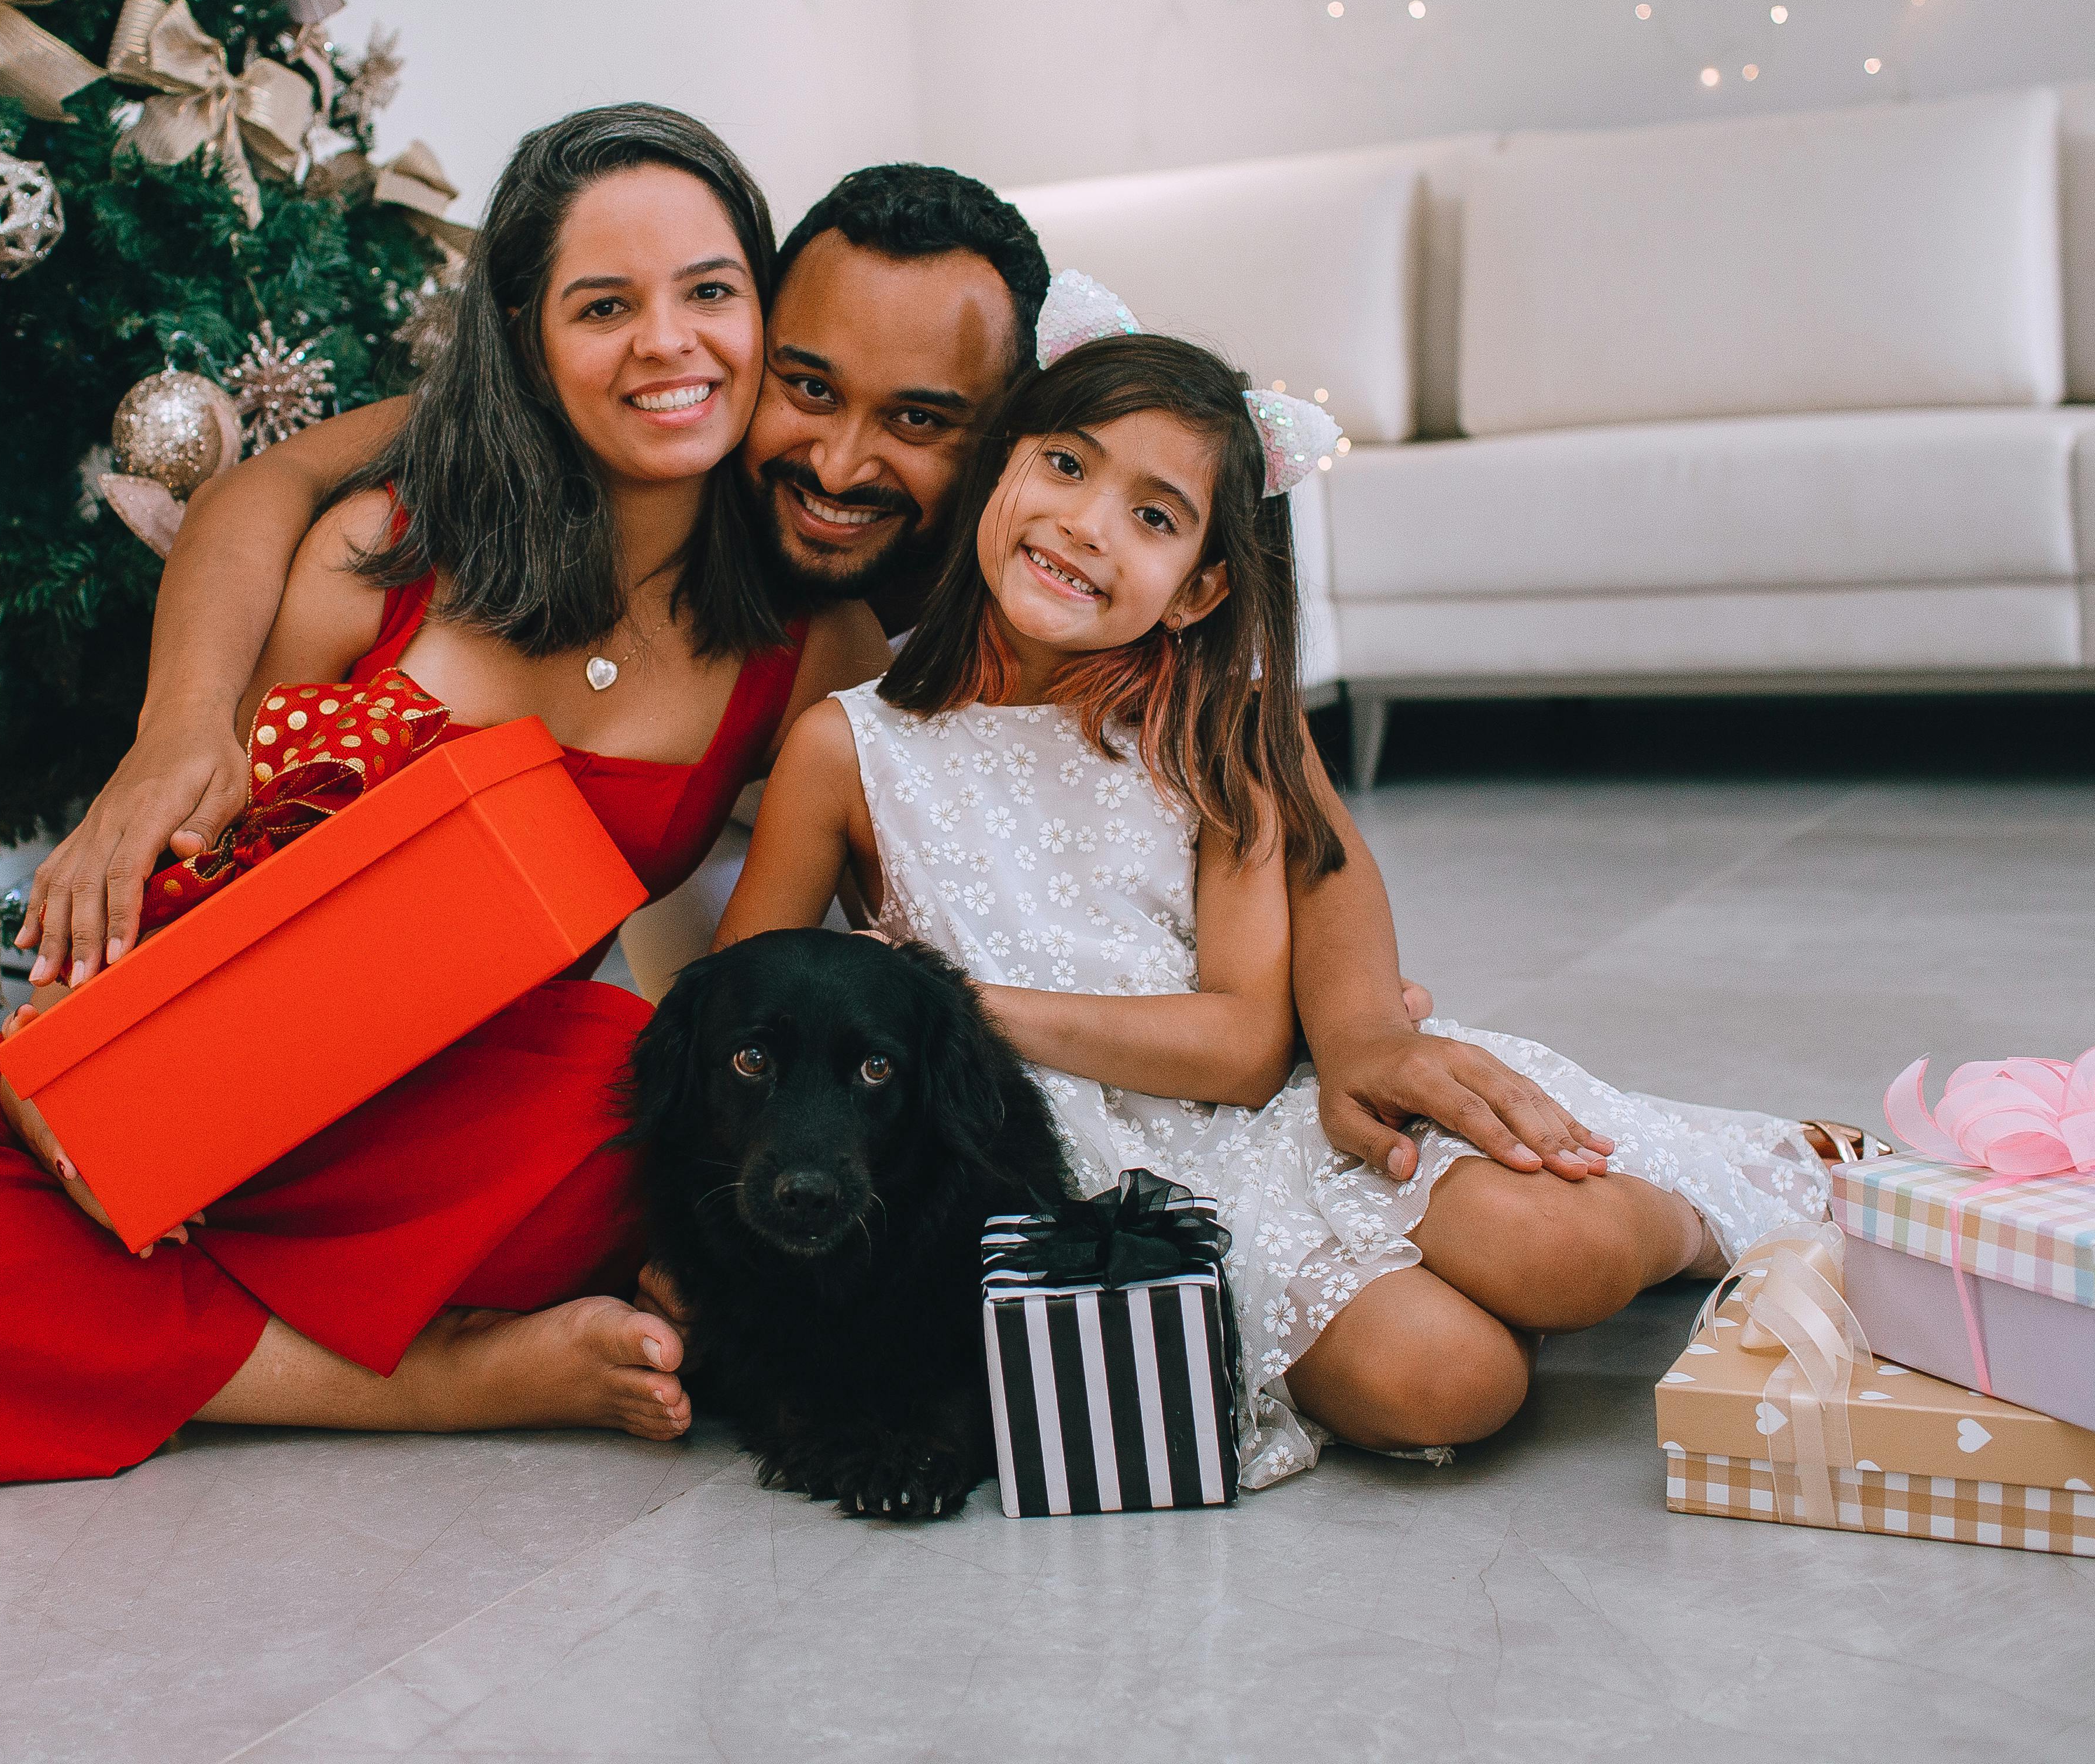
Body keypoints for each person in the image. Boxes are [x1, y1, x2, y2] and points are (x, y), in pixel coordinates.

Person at [0, 105, 885, 1494]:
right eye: (605, 306)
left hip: (478, 1143)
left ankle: (109, 1326)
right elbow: (214, 865)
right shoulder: (383, 545)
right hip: (227, 1070)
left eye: (711, 292)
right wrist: (86, 1044)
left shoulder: (809, 646)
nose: (670, 343)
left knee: (629, 1098)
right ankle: (428, 1381)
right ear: (531, 345)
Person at [22, 174, 1627, 1197]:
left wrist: (1346, 1022)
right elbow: (258, 491)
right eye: (807, 388)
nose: (843, 465)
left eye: (925, 422)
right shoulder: (670, 434)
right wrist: (180, 735)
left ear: (1011, 430)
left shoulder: (1015, 564)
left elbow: (1278, 784)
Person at [715, 320, 1834, 1482]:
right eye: (1064, 464)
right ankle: (1459, 1285)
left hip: (1262, 1119)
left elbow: (1246, 1047)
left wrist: (949, 1006)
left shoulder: (1212, 728)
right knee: (1449, 1388)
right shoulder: (847, 750)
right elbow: (740, 1009)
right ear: (1002, 465)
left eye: (1153, 516)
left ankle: (1717, 1223)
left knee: (1564, 1248)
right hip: (1071, 1177)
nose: (1087, 525)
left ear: (1198, 588)